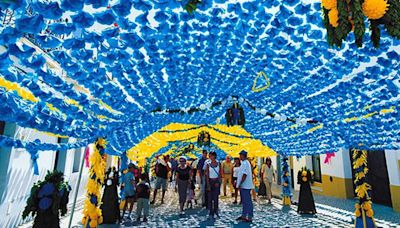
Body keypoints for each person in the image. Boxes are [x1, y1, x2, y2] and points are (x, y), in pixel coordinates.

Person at [236, 150, 254, 223]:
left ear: (243, 156)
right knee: (245, 201)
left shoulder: (245, 163)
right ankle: (244, 215)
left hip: (245, 185)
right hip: (244, 185)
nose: (240, 156)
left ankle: (249, 217)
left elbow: (244, 174)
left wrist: (240, 183)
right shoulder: (244, 163)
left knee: (248, 202)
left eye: (241, 155)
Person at [205, 151, 222, 219]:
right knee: (210, 197)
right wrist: (208, 184)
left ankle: (216, 209)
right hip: (210, 181)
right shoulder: (208, 164)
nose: (210, 157)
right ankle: (211, 211)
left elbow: (220, 173)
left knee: (216, 197)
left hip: (216, 181)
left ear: (214, 156)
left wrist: (218, 182)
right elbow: (207, 175)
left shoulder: (218, 163)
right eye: (209, 156)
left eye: (211, 156)